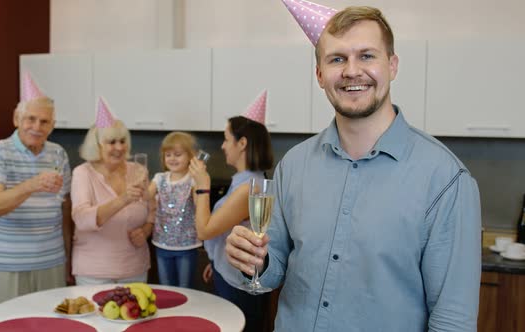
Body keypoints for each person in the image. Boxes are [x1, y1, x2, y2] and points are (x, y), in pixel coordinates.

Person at [226, 3, 482, 331]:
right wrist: (252, 261)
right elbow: (271, 273)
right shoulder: (293, 166)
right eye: (337, 59)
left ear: (392, 65)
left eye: (366, 55)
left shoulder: (446, 180)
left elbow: (453, 323)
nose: (351, 71)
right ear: (319, 74)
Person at [0, 72, 73, 307]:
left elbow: (64, 211)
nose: (36, 127)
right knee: (9, 325)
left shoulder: (58, 153)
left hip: (51, 262)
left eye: (44, 121)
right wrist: (32, 185)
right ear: (16, 119)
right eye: (30, 119)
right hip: (9, 264)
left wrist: (68, 257)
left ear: (52, 124)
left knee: (52, 325)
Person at [189, 90, 274, 332]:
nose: (223, 146)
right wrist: (216, 260)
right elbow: (226, 229)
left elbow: (204, 230)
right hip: (227, 274)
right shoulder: (242, 181)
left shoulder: (248, 188)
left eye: (227, 139)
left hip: (239, 286)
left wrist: (202, 187)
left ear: (242, 143)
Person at [70, 97, 154, 285]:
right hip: (94, 272)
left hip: (135, 269)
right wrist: (123, 199)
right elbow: (82, 219)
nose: (119, 147)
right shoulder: (83, 174)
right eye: (111, 142)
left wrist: (146, 231)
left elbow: (152, 210)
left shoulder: (138, 170)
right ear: (97, 145)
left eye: (123, 141)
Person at [148, 131, 201, 288]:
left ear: (190, 157)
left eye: (177, 154)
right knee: (166, 287)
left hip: (187, 245)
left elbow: (200, 205)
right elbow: (145, 196)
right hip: (161, 243)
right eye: (168, 154)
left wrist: (200, 180)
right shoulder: (159, 178)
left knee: (185, 288)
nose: (172, 158)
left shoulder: (192, 180)